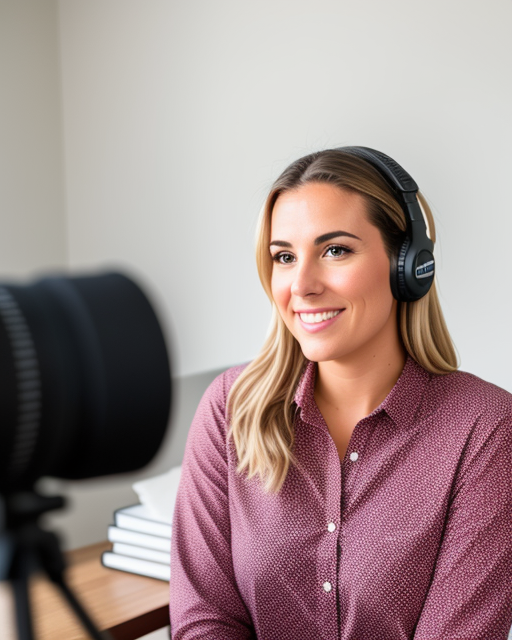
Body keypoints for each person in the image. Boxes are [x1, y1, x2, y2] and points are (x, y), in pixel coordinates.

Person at [169, 147, 512, 640]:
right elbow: (204, 620)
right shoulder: (231, 406)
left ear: (409, 266)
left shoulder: (484, 428)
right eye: (284, 257)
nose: (301, 285)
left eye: (335, 250)